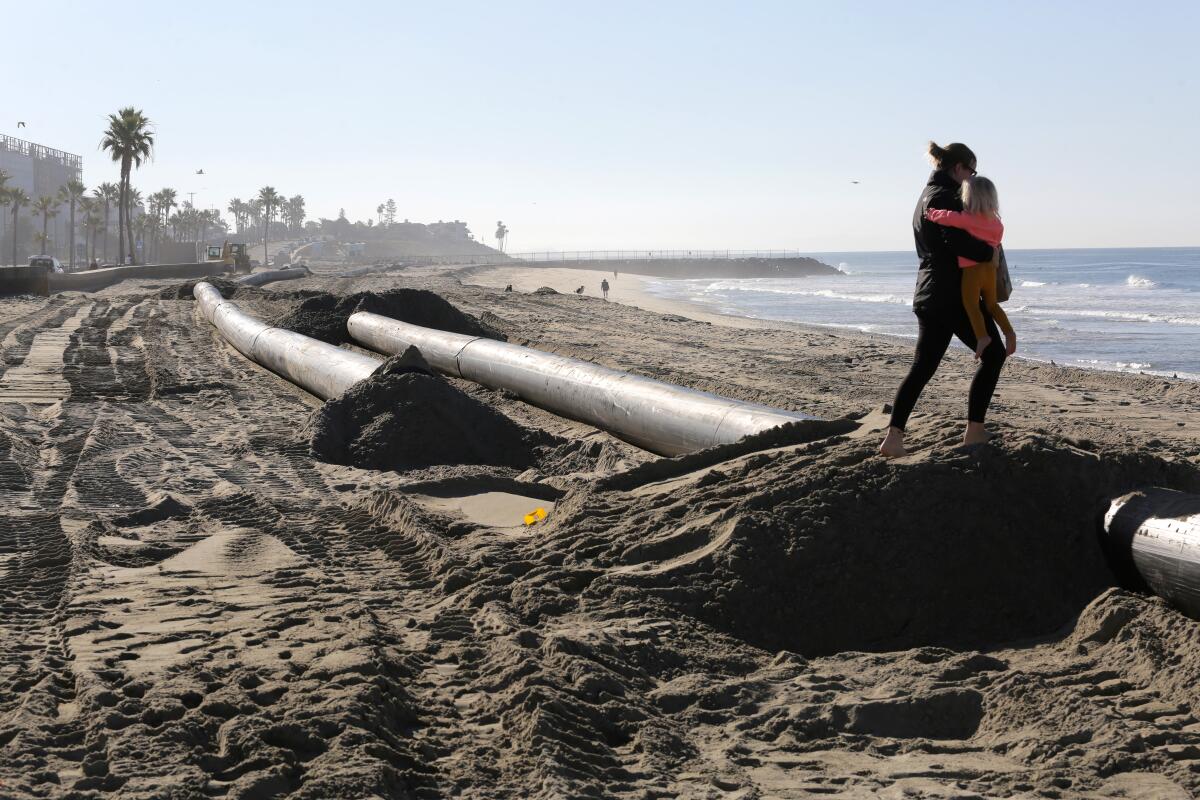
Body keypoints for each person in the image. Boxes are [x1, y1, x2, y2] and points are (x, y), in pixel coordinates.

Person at [879, 141, 1007, 458]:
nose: (972, 179)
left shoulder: (925, 197)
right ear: (958, 168)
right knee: (994, 354)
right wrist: (988, 250)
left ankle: (893, 439)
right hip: (952, 295)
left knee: (923, 367)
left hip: (929, 293)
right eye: (971, 171)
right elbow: (958, 244)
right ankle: (974, 430)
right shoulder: (946, 198)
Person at [923, 175, 1016, 360]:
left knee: (971, 305)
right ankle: (1009, 332)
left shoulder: (967, 218)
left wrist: (931, 213)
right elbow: (996, 243)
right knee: (991, 305)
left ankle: (982, 337)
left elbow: (947, 218)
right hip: (990, 270)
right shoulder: (998, 223)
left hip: (972, 271)